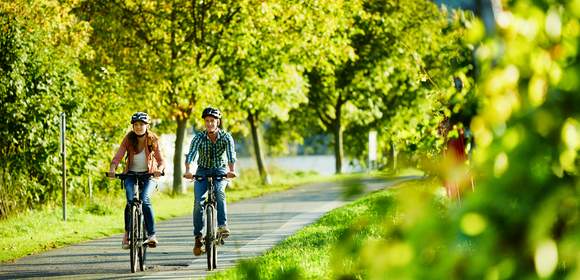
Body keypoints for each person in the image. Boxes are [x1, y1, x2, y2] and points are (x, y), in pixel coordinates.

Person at [183, 107, 237, 256]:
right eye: (207, 121)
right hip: (202, 170)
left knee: (219, 192)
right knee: (198, 202)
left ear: (217, 122)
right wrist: (188, 170)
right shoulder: (199, 137)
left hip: (220, 170)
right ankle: (198, 237)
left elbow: (231, 155)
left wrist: (231, 170)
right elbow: (191, 154)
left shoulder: (226, 137)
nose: (209, 124)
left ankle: (222, 225)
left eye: (212, 121)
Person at [107, 112, 165, 249]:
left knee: (145, 199)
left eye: (141, 124)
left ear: (147, 126)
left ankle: (152, 235)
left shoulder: (153, 139)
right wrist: (112, 168)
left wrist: (160, 169)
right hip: (131, 175)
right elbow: (119, 155)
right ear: (133, 126)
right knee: (130, 200)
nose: (138, 127)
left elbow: (161, 160)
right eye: (136, 124)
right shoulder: (128, 138)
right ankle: (127, 234)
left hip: (149, 175)